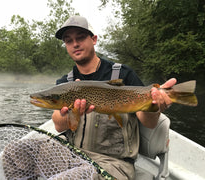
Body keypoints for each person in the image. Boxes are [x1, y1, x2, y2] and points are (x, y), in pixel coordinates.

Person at [52, 16, 176, 180]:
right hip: (72, 155)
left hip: (114, 164)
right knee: (16, 152)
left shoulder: (124, 74)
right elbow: (58, 125)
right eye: (68, 41)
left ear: (94, 39)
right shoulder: (66, 83)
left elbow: (150, 122)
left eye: (80, 37)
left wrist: (155, 105)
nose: (75, 44)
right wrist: (70, 114)